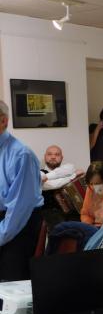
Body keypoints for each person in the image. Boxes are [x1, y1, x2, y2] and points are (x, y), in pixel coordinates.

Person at [0, 100, 44, 281]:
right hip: (6, 220)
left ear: (3, 121)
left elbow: (19, 208)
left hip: (19, 224)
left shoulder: (21, 154)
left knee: (10, 285)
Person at [80, 161, 103, 227]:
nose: (94, 187)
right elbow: (85, 214)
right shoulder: (90, 188)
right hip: (95, 227)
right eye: (91, 183)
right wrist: (88, 226)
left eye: (97, 183)